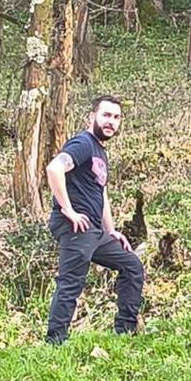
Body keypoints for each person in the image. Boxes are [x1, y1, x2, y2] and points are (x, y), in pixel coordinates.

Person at [44, 95, 144, 344]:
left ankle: (125, 331)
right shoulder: (83, 143)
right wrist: (67, 209)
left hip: (95, 230)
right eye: (106, 115)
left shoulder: (99, 150)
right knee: (71, 282)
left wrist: (111, 231)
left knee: (132, 266)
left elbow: (101, 193)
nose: (111, 122)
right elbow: (54, 169)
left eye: (116, 117)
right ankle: (55, 341)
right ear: (92, 117)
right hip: (77, 227)